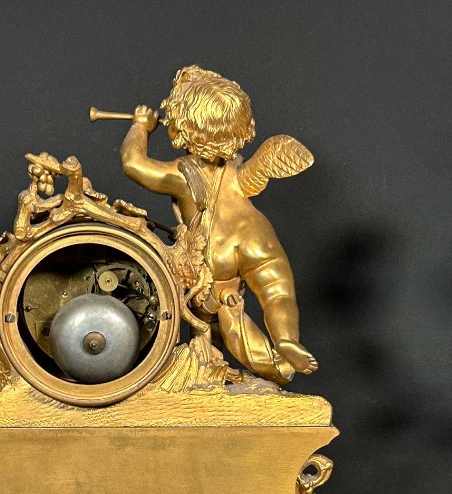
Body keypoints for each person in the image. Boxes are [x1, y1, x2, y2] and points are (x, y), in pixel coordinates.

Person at [119, 65, 317, 383]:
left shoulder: (182, 174)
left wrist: (140, 127)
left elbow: (133, 163)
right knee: (278, 294)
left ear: (181, 125)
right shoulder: (239, 168)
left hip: (215, 247)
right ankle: (285, 339)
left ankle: (221, 364)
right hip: (256, 234)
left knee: (212, 312)